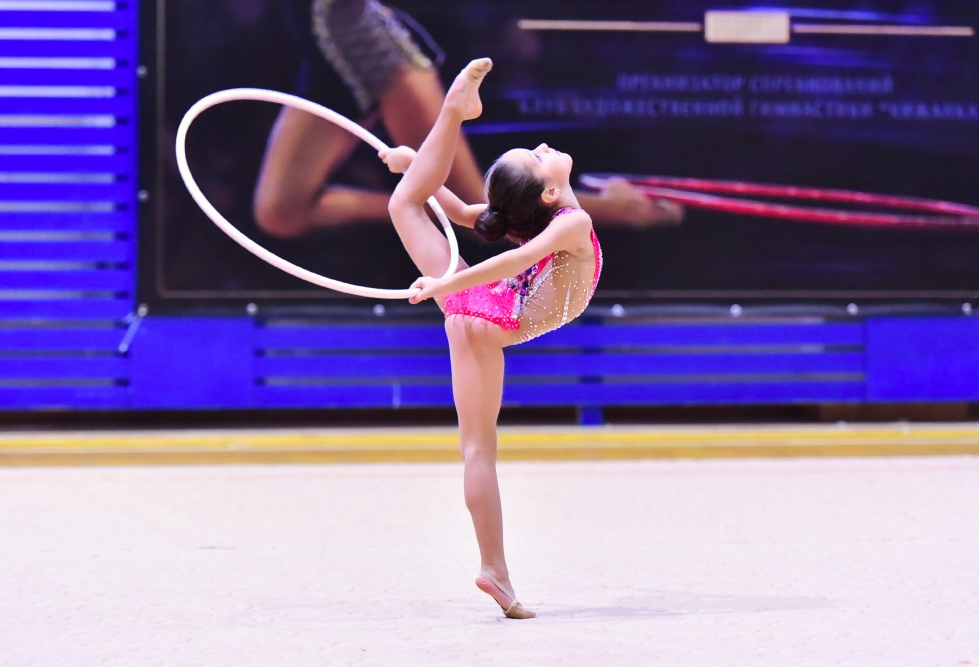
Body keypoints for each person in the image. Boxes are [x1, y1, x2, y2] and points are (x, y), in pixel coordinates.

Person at [378, 57, 602, 619]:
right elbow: (502, 251)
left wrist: (415, 169)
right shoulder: (571, 222)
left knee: (404, 201)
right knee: (479, 449)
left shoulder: (546, 220)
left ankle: (494, 569)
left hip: (474, 309)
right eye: (538, 158)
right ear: (549, 192)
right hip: (488, 313)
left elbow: (461, 214)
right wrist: (445, 283)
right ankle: (453, 110)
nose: (545, 147)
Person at [255, 0, 681, 238]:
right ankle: (420, 208)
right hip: (325, 55)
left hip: (369, 47)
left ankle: (618, 210)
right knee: (279, 211)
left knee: (482, 208)